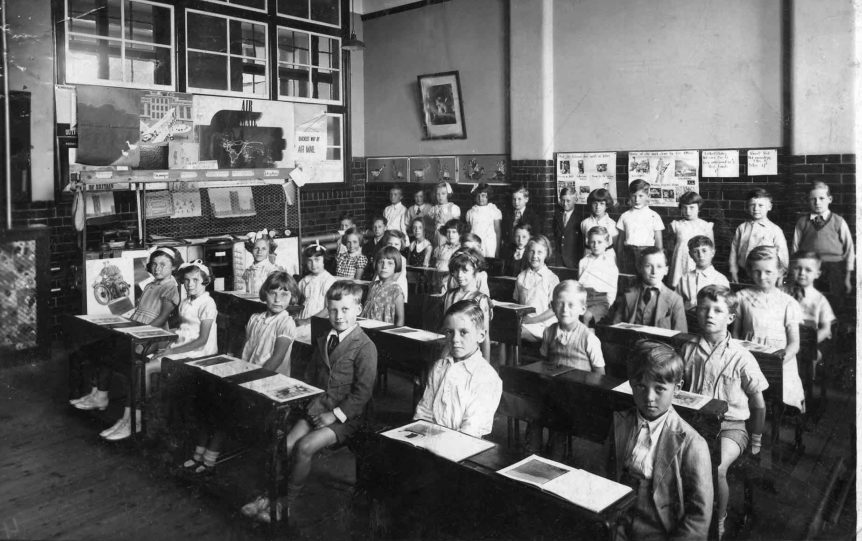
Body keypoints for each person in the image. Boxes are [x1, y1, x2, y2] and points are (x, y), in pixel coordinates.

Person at [242, 281, 377, 522]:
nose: (338, 316)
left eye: (345, 309)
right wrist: (304, 401)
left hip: (347, 417)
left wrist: (334, 415)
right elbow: (311, 378)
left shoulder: (365, 346)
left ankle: (286, 503)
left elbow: (362, 394)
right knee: (285, 445)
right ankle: (268, 496)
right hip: (317, 407)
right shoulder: (325, 337)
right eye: (333, 310)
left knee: (305, 447)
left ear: (359, 309)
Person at [183, 272, 299, 475]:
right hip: (247, 374)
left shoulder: (286, 323)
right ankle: (199, 451)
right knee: (209, 399)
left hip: (268, 383)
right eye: (273, 293)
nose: (278, 300)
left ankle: (209, 457)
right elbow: (246, 349)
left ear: (292, 298)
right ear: (265, 294)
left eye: (285, 295)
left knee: (223, 406)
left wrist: (243, 381)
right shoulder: (255, 318)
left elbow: (275, 360)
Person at [681, 285, 768, 541]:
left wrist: (756, 441)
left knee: (714, 467)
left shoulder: (742, 357)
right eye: (704, 309)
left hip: (731, 428)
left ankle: (718, 520)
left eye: (717, 310)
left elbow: (758, 403)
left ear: (730, 318)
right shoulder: (687, 350)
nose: (709, 314)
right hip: (694, 423)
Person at [606, 340, 713, 541]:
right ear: (631, 384)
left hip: (661, 528)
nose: (649, 397)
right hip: (618, 517)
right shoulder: (621, 422)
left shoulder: (692, 443)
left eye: (660, 389)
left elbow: (699, 517)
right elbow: (606, 475)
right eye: (641, 386)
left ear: (678, 388)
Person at [71, 246, 183, 437]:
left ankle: (132, 419)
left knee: (134, 368)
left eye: (163, 265)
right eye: (154, 264)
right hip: (139, 330)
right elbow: (139, 312)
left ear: (174, 267)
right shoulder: (151, 285)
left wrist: (135, 332)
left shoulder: (170, 288)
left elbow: (161, 320)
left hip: (153, 337)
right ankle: (100, 395)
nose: (157, 268)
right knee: (104, 348)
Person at [112, 260, 218, 442]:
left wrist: (170, 352)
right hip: (182, 348)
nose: (190, 284)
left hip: (199, 354)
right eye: (186, 280)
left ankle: (135, 421)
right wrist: (166, 341)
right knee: (139, 364)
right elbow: (183, 330)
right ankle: (127, 419)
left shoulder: (208, 303)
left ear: (205, 281)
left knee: (145, 369)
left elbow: (201, 340)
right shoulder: (186, 301)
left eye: (195, 280)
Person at [414, 300, 502, 438]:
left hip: (462, 448)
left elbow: (470, 431)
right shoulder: (439, 367)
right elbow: (424, 412)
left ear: (481, 336)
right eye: (449, 332)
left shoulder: (486, 378)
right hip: (430, 442)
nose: (455, 339)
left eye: (463, 332)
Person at [734, 245, 805, 412]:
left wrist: (780, 359)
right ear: (750, 271)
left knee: (781, 388)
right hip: (749, 357)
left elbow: (794, 343)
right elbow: (736, 333)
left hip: (779, 360)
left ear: (780, 272)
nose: (762, 277)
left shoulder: (788, 303)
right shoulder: (741, 297)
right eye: (757, 271)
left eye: (768, 272)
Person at [791, 181, 855, 300]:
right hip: (809, 267)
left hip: (834, 268)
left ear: (829, 199)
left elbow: (849, 249)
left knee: (835, 302)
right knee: (808, 300)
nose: (817, 202)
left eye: (821, 198)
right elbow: (795, 248)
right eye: (813, 199)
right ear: (808, 200)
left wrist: (847, 277)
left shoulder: (838, 221)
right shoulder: (802, 222)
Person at [785, 251, 836, 385]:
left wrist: (809, 342)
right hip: (785, 338)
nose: (802, 273)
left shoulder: (819, 299)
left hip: (808, 342)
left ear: (817, 274)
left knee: (807, 356)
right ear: (791, 269)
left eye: (808, 270)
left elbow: (826, 329)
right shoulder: (784, 293)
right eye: (797, 268)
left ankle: (803, 389)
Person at [609, 247, 687, 332]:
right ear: (639, 268)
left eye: (659, 266)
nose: (654, 272)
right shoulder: (627, 294)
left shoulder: (675, 300)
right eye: (648, 266)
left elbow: (680, 335)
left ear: (666, 270)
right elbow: (614, 328)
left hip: (660, 344)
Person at [728, 188, 788, 283]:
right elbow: (734, 251)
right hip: (743, 274)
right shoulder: (742, 228)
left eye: (760, 205)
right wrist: (733, 270)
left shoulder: (775, 230)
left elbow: (783, 255)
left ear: (769, 207)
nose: (756, 209)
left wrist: (780, 276)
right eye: (752, 205)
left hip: (764, 275)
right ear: (747, 206)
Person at [442, 249, 492, 359]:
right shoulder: (449, 295)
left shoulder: (480, 299)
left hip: (470, 352)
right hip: (450, 348)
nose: (459, 275)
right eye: (456, 270)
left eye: (465, 271)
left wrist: (486, 364)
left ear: (475, 271)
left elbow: (485, 335)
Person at [513, 235, 560, 341]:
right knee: (507, 328)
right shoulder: (521, 276)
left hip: (544, 325)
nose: (535, 256)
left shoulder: (551, 278)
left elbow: (554, 310)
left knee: (513, 331)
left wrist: (532, 320)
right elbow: (517, 303)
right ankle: (508, 358)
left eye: (539, 252)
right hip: (525, 322)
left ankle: (512, 358)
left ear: (546, 254)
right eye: (532, 251)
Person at [616, 179, 665, 274]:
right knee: (629, 280)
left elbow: (659, 242)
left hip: (647, 254)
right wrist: (618, 258)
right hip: (628, 254)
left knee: (645, 279)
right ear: (630, 196)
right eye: (634, 196)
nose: (637, 199)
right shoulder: (625, 216)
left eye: (640, 196)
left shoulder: (654, 216)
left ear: (647, 196)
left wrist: (659, 259)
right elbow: (620, 240)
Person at [668, 192, 713, 288]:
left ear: (699, 208)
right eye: (684, 207)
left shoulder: (705, 226)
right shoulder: (676, 225)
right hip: (680, 264)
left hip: (697, 262)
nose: (687, 211)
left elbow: (711, 250)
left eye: (692, 207)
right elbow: (671, 247)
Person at [578, 226, 619, 326]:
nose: (595, 245)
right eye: (592, 242)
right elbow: (579, 283)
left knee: (587, 316)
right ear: (588, 242)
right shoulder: (583, 261)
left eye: (599, 242)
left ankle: (587, 340)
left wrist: (608, 307)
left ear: (606, 243)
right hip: (584, 298)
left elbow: (612, 290)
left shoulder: (610, 263)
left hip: (601, 301)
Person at [677, 236, 730, 310]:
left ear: (713, 252)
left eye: (704, 250)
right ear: (690, 254)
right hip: (687, 318)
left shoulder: (721, 279)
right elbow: (677, 305)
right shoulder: (684, 279)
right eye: (695, 251)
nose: (700, 255)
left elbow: (724, 307)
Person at [361, 246, 405, 326]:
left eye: (390, 263)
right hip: (365, 328)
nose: (384, 266)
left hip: (382, 331)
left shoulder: (396, 290)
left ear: (396, 266)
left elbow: (400, 318)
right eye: (381, 262)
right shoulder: (373, 285)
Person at [465, 182, 503, 258]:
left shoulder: (494, 211)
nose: (480, 198)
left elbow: (497, 231)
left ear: (488, 196)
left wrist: (497, 249)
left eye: (483, 196)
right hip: (475, 242)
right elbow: (469, 230)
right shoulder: (470, 212)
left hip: (489, 243)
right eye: (478, 196)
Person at [502, 185, 541, 254]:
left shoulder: (533, 216)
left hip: (526, 250)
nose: (516, 202)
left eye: (519, 199)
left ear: (526, 199)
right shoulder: (508, 214)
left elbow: (536, 235)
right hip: (510, 250)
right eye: (514, 199)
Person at [240, 229, 282, 294]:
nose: (259, 251)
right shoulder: (248, 271)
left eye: (264, 249)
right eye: (256, 248)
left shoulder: (272, 271)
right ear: (251, 250)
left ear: (269, 251)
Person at [553, 187, 580, 268]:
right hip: (558, 261)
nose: (565, 204)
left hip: (573, 261)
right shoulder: (557, 215)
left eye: (568, 201)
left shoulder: (580, 217)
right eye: (562, 200)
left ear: (575, 200)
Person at [429, 182, 461, 247]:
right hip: (437, 235)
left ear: (448, 194)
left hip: (449, 235)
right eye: (438, 194)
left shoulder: (453, 208)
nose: (440, 196)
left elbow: (456, 225)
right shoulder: (433, 209)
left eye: (443, 194)